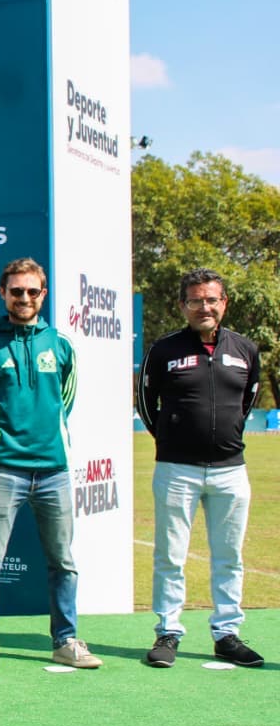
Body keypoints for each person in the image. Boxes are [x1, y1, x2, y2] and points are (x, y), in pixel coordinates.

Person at [0, 257, 99, 672]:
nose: (24, 298)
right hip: (4, 468)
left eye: (32, 291)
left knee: (63, 562)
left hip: (54, 470)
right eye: (16, 291)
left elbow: (65, 402)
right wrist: (2, 438)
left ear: (43, 294)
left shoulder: (61, 344)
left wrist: (43, 437)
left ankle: (66, 640)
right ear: (2, 293)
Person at [137, 268, 264, 668]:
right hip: (177, 470)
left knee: (229, 556)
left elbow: (248, 400)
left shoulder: (245, 349)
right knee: (170, 556)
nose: (204, 307)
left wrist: (225, 436)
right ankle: (168, 631)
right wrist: (171, 439)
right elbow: (146, 403)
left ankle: (226, 634)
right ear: (183, 305)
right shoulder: (163, 350)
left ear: (224, 303)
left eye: (211, 299)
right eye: (195, 300)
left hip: (230, 471)